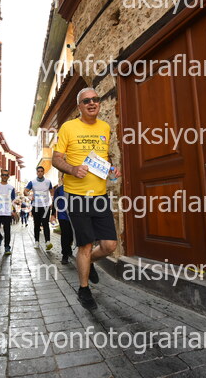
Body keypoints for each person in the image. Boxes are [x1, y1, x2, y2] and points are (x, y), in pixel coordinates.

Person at [52, 88, 121, 310]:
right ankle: (84, 290)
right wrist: (72, 169)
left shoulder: (105, 128)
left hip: (99, 195)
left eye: (95, 99)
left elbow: (104, 158)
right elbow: (56, 159)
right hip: (77, 196)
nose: (92, 103)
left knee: (109, 245)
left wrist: (111, 170)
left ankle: (87, 261)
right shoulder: (68, 127)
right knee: (86, 244)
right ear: (79, 106)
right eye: (86, 101)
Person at [24, 166, 54, 250]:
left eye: (41, 171)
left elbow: (52, 191)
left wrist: (52, 201)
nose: (40, 173)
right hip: (36, 206)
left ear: (43, 172)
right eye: (38, 171)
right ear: (36, 173)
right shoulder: (32, 182)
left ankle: (47, 242)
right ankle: (36, 242)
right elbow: (25, 191)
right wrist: (29, 196)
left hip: (45, 206)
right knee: (36, 224)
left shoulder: (48, 182)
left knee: (45, 223)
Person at [51, 174, 73, 264]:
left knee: (71, 235)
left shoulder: (74, 189)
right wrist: (53, 214)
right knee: (65, 234)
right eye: (65, 177)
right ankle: (65, 255)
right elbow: (55, 202)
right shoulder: (59, 190)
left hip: (74, 216)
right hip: (62, 215)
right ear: (62, 178)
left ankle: (68, 247)